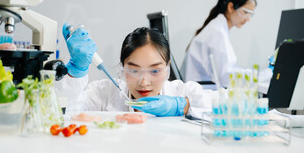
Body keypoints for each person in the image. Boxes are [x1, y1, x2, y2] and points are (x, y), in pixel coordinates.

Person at [56, 24, 217, 117]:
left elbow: (233, 105)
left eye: (155, 71)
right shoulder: (104, 93)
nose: (144, 82)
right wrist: (75, 73)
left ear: (167, 68)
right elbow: (61, 113)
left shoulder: (181, 92)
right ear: (122, 67)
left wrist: (184, 105)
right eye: (134, 71)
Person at [180, 0, 272, 87]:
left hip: (199, 89)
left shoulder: (218, 28)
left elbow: (227, 71)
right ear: (231, 7)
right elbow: (226, 78)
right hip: (200, 93)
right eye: (245, 12)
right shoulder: (217, 32)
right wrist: (266, 74)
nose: (248, 19)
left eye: (251, 14)